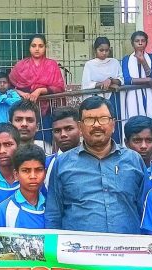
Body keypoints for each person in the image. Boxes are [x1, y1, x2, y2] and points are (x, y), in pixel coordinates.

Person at [46, 96, 146, 233]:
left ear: (113, 124)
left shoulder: (134, 160)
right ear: (80, 127)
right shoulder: (63, 163)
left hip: (128, 245)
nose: (97, 125)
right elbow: (53, 215)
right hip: (78, 246)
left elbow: (146, 211)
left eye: (103, 119)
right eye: (89, 120)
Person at [9, 34, 67, 120]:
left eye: (40, 46)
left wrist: (40, 90)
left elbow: (59, 87)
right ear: (29, 47)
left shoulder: (52, 65)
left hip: (48, 110)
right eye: (33, 46)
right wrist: (22, 94)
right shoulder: (20, 65)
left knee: (46, 127)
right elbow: (9, 87)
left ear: (45, 47)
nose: (37, 49)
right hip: (24, 109)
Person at [0, 145, 49, 229]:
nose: (33, 176)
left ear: (45, 173)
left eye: (38, 170)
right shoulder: (4, 210)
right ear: (16, 174)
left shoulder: (51, 208)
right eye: (26, 171)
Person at [120, 31, 152, 120]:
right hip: (132, 95)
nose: (140, 43)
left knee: (150, 118)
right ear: (132, 43)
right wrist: (147, 80)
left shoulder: (151, 57)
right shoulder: (126, 59)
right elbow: (127, 80)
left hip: (149, 94)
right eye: (137, 41)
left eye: (143, 41)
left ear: (146, 43)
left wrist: (143, 61)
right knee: (134, 120)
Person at [83, 37, 123, 120]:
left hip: (113, 97)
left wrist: (110, 80)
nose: (104, 53)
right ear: (95, 50)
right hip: (96, 98)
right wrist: (104, 84)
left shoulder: (114, 62)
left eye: (107, 50)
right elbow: (87, 84)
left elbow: (121, 80)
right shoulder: (89, 64)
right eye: (101, 50)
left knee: (114, 119)